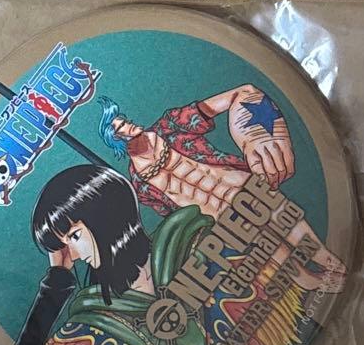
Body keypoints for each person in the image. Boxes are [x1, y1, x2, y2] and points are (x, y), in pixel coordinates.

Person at [7, 164, 310, 345]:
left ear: (106, 216)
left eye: (74, 236)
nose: (72, 254)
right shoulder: (89, 330)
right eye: (62, 245)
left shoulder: (196, 243)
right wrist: (57, 280)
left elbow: (295, 301)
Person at [105, 82, 345, 292]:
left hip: (244, 187)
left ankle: (335, 264)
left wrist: (258, 134)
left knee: (300, 234)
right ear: (114, 138)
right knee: (274, 254)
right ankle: (310, 281)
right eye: (119, 127)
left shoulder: (170, 126)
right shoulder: (139, 184)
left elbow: (241, 93)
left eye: (124, 120)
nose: (128, 125)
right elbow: (174, 216)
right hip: (224, 221)